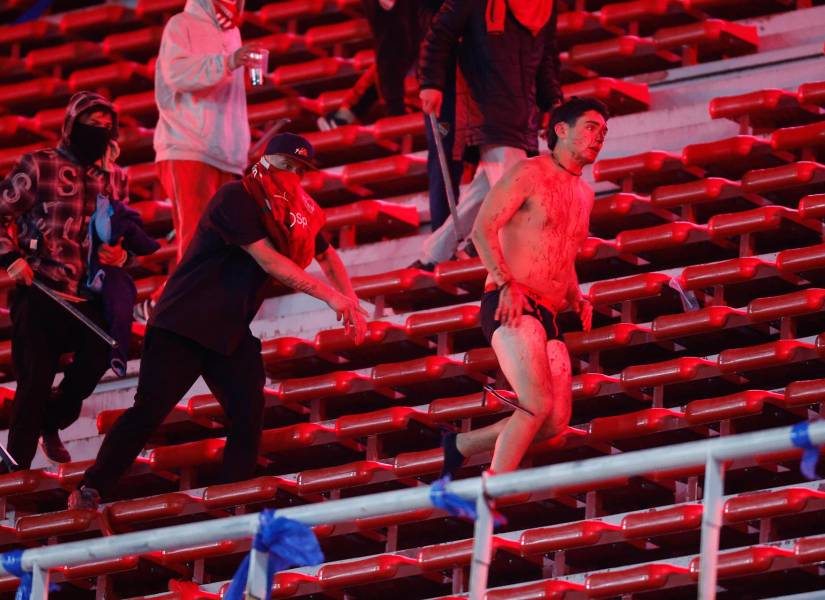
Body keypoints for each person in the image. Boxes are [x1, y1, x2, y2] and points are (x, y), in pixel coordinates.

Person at [69, 134, 368, 510]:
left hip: (229, 332)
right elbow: (271, 261)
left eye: (298, 169)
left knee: (248, 410)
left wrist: (351, 300)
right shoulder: (235, 197)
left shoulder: (294, 211)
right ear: (265, 161)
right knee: (149, 410)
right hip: (182, 324)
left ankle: (232, 501)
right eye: (285, 164)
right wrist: (331, 297)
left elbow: (327, 254)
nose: (291, 174)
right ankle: (92, 486)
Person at [441, 98, 609, 478]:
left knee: (554, 421)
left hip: (549, 311)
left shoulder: (585, 194)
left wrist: (576, 294)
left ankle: (461, 445)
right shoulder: (529, 172)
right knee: (535, 404)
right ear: (561, 130)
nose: (598, 137)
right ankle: (492, 491)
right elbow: (482, 229)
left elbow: (562, 250)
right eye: (590, 127)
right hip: (511, 301)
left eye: (603, 132)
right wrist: (505, 283)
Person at [0, 92, 130, 468]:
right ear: (73, 125)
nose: (99, 132)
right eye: (92, 125)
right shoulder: (39, 165)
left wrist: (121, 256)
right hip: (39, 288)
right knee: (35, 378)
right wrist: (10, 258)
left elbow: (124, 234)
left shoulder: (115, 178)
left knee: (100, 354)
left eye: (106, 127)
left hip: (86, 297)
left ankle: (51, 421)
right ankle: (16, 465)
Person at [412, 0, 561, 270]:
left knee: (484, 192)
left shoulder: (545, 6)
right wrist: (430, 83)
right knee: (520, 192)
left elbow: (546, 57)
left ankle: (433, 255)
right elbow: (439, 32)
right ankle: (488, 249)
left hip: (522, 116)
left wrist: (553, 103)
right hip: (487, 110)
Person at [153, 0, 261, 263]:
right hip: (188, 146)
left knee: (225, 247)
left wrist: (242, 72)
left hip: (226, 153)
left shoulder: (233, 33)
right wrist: (228, 62)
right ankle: (184, 291)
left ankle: (184, 292)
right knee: (197, 242)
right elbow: (177, 74)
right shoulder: (181, 24)